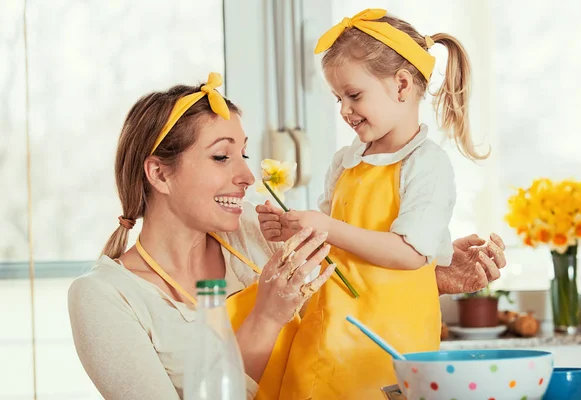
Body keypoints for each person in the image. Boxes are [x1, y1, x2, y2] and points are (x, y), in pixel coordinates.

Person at [256, 8, 501, 399]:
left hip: (384, 349)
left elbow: (410, 253)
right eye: (338, 98)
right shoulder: (345, 160)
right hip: (325, 335)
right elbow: (329, 245)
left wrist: (326, 227)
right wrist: (294, 230)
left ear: (402, 86)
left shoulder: (427, 165)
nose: (344, 110)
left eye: (353, 95)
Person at [68, 72, 336, 400]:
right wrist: (266, 319)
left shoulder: (254, 231)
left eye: (244, 155)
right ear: (160, 173)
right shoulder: (104, 296)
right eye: (222, 157)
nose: (248, 177)